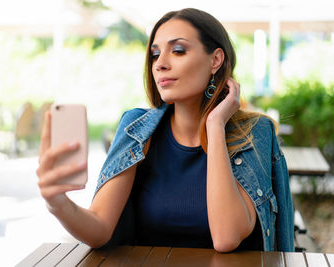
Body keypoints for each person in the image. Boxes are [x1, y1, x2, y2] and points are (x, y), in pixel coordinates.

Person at [36, 8, 294, 252]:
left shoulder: (254, 131)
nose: (160, 64)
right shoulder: (136, 128)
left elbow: (225, 238)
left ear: (215, 59)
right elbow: (100, 228)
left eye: (178, 50)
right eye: (155, 54)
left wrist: (215, 126)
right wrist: (57, 203)